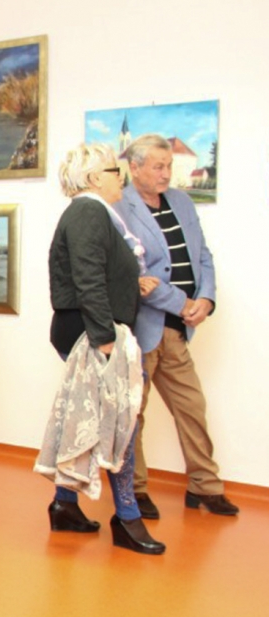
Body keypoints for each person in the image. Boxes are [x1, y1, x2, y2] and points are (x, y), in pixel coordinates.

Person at [37, 143, 164, 555]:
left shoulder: (92, 213)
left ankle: (65, 506)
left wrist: (131, 284)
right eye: (114, 170)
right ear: (94, 178)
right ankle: (127, 518)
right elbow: (88, 277)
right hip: (92, 332)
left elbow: (97, 272)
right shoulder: (89, 212)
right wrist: (105, 338)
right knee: (120, 424)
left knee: (92, 421)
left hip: (89, 328)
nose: (121, 176)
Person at [115, 134, 238, 518]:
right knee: (133, 415)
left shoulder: (182, 202)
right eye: (158, 166)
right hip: (141, 330)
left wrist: (206, 299)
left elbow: (203, 256)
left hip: (177, 331)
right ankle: (134, 490)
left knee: (192, 408)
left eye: (168, 165)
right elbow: (135, 275)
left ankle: (204, 487)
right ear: (135, 168)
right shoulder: (119, 207)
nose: (167, 173)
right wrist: (181, 303)